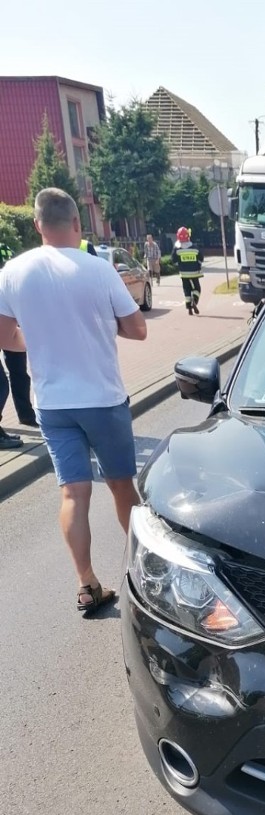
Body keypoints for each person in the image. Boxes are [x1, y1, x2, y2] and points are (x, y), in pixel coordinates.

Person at [0, 187, 147, 617]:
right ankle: (142, 571)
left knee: (73, 493)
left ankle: (86, 583)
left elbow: (5, 337)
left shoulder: (12, 271)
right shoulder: (98, 269)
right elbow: (138, 330)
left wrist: (42, 339)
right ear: (78, 224)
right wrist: (101, 326)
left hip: (52, 402)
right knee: (123, 488)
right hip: (102, 398)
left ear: (36, 224)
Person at [0, 240, 37, 448]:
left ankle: (26, 414)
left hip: (12, 327)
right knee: (0, 385)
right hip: (7, 327)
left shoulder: (6, 252)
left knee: (19, 374)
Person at [171, 226, 203, 315]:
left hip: (183, 273)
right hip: (194, 273)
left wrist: (180, 266)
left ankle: (189, 307)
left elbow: (173, 260)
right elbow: (201, 258)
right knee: (197, 288)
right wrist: (198, 265)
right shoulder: (194, 247)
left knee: (186, 289)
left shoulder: (177, 248)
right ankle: (195, 301)